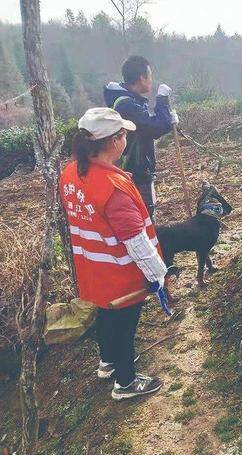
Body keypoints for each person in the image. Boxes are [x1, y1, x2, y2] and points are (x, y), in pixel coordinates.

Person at [60, 108, 171, 400]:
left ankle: (107, 363)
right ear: (113, 142)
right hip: (120, 273)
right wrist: (158, 275)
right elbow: (135, 240)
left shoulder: (71, 172)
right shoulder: (113, 188)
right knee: (124, 326)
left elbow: (95, 208)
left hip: (92, 268)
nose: (126, 139)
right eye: (123, 135)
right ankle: (125, 382)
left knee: (105, 314)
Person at [104, 55, 178, 217]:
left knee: (144, 213)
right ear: (141, 78)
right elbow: (154, 128)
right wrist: (162, 100)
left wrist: (166, 118)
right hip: (135, 172)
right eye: (149, 76)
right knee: (144, 216)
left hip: (135, 170)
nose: (151, 81)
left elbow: (148, 125)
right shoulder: (127, 104)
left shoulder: (128, 101)